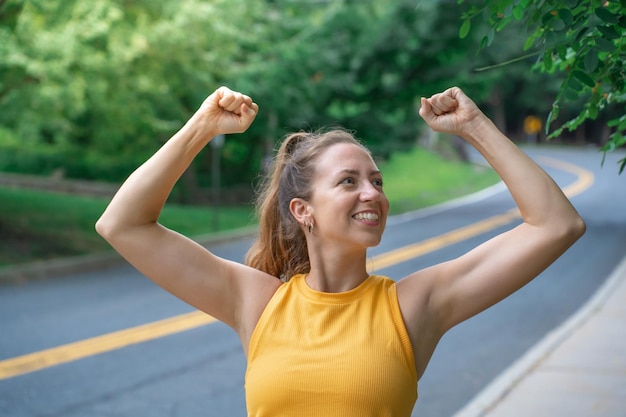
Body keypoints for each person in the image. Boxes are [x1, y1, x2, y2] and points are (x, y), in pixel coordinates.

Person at [96, 86, 585, 416]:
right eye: (348, 182)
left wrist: (475, 126)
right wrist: (201, 128)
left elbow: (556, 225)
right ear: (303, 210)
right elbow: (123, 224)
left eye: (376, 181)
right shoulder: (257, 302)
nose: (371, 193)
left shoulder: (415, 305)